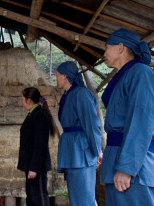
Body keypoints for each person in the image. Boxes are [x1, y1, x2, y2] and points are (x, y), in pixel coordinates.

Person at [101, 28, 154, 205]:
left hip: (133, 164)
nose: (104, 53)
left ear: (120, 47)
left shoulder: (141, 73)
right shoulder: (126, 74)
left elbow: (142, 121)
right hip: (119, 157)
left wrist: (126, 168)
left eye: (107, 47)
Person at [55, 61, 102, 206]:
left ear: (64, 76)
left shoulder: (81, 94)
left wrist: (97, 150)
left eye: (57, 75)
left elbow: (91, 124)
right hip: (72, 150)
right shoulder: (68, 95)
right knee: (77, 198)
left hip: (81, 152)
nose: (55, 78)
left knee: (84, 199)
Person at [17, 87, 57, 206]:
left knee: (39, 198)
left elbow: (40, 145)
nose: (21, 101)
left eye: (22, 99)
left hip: (36, 167)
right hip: (30, 165)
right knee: (32, 198)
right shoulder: (33, 114)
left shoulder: (40, 115)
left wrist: (34, 168)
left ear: (29, 100)